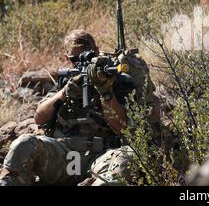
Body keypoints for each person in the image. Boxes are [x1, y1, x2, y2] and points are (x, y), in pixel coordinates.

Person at [0, 29, 160, 185]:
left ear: (97, 52)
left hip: (100, 157)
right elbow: (40, 117)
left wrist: (105, 91)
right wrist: (64, 92)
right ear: (67, 59)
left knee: (128, 157)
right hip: (64, 157)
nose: (81, 62)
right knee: (24, 143)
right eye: (75, 59)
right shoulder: (66, 82)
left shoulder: (117, 81)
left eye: (89, 55)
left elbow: (121, 128)